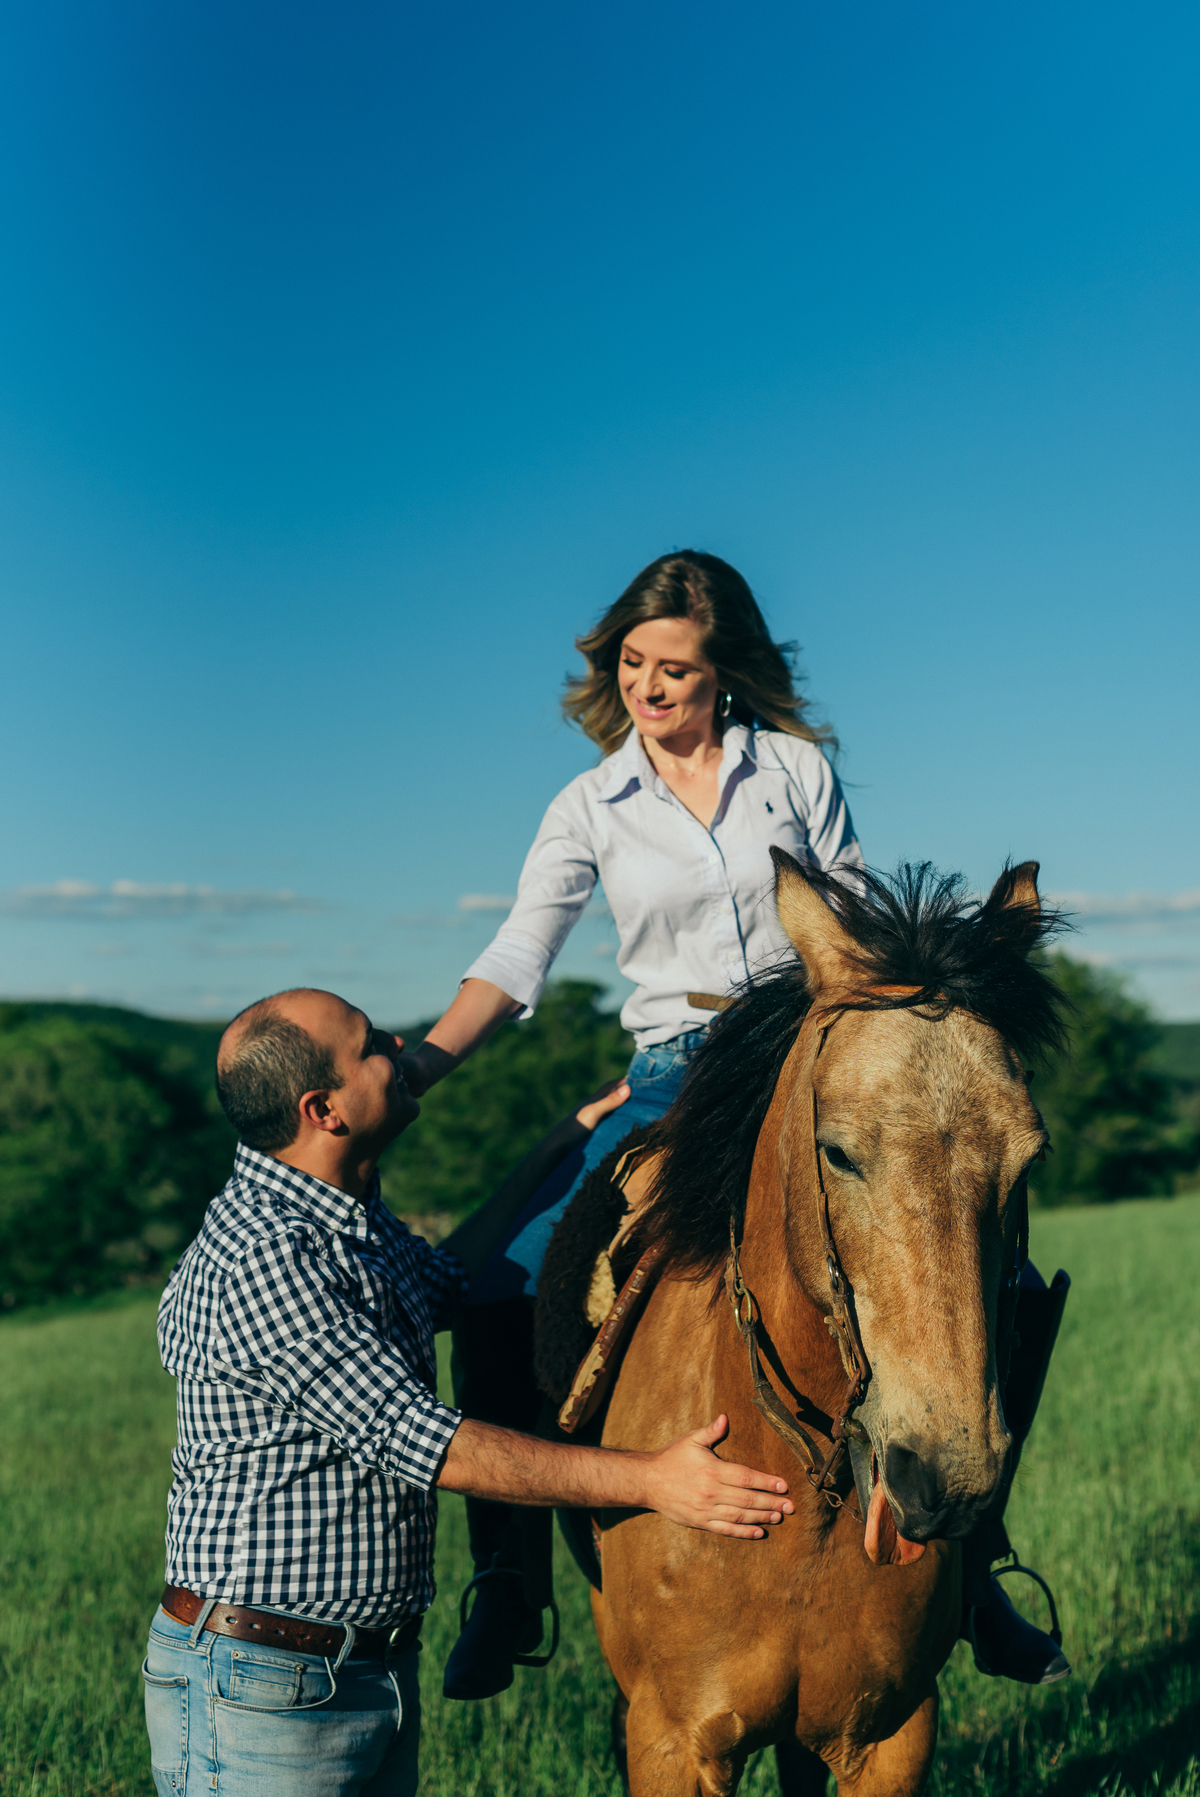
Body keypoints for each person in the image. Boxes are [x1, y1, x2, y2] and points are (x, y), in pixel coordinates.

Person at [399, 549, 1070, 1698]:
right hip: (670, 1072)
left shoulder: (794, 770)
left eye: (675, 670)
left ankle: (975, 1558)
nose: (649, 690)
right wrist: (417, 1065)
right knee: (503, 1279)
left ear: (727, 675)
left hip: (809, 1053)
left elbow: (848, 912)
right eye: (632, 664)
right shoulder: (588, 804)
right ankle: (508, 1581)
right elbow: (520, 956)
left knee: (990, 1260)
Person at [143, 986, 795, 1797]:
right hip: (264, 1687)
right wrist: (654, 1478)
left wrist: (559, 1150)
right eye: (371, 1046)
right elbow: (428, 1441)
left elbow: (449, 1279)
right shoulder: (268, 1257)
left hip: (346, 1667)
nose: (401, 1043)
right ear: (324, 1108)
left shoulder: (348, 1221)